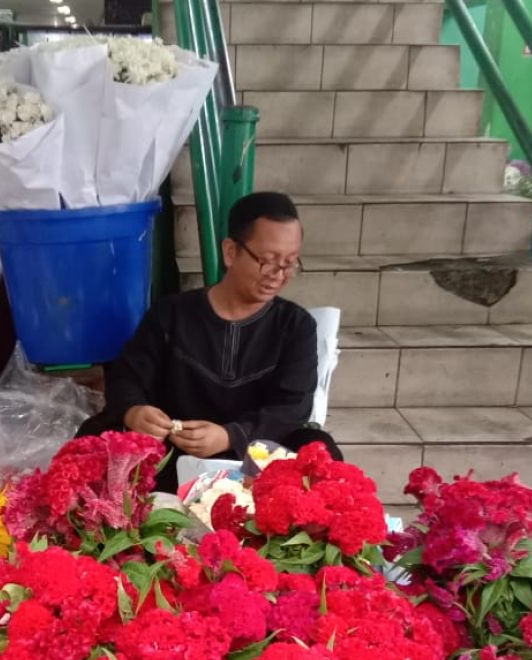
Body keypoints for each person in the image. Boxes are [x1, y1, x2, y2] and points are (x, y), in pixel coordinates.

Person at [77, 191, 343, 493]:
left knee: (318, 450)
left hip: (253, 458)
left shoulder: (296, 326)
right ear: (230, 252)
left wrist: (230, 436)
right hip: (172, 453)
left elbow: (292, 408)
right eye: (267, 261)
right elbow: (129, 375)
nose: (278, 275)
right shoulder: (172, 313)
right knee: (95, 438)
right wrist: (135, 411)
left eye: (290, 263)